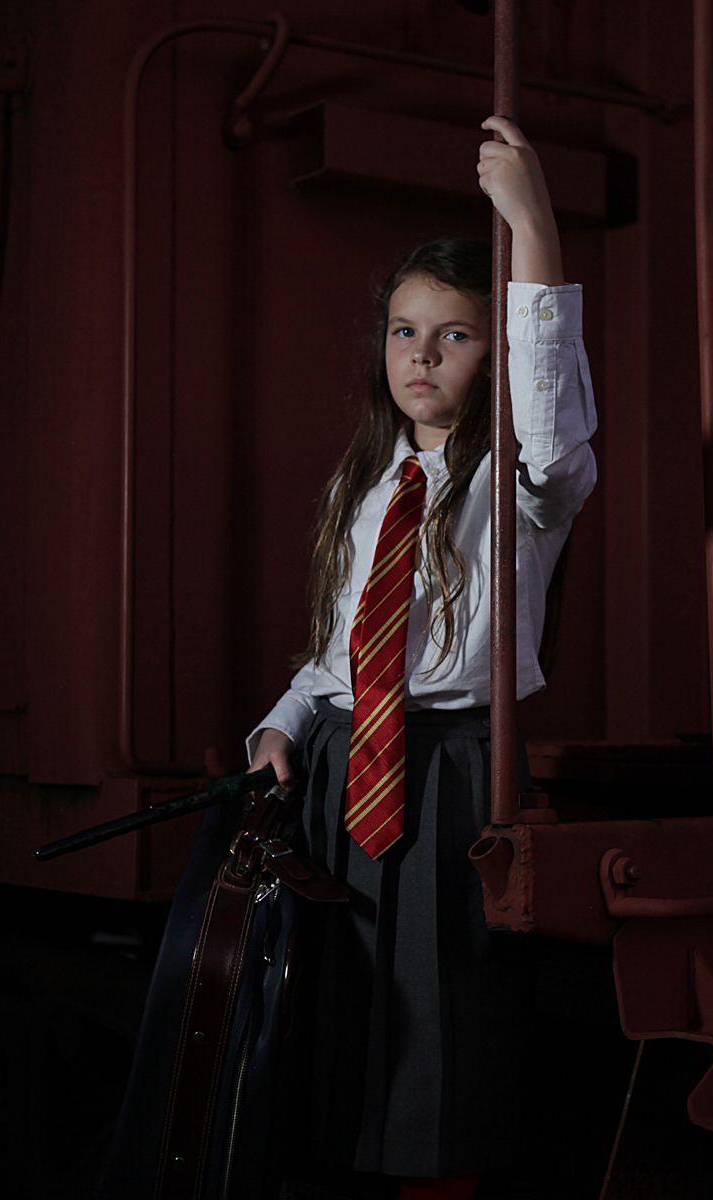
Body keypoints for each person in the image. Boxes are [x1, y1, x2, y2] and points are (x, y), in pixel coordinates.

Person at [246, 115, 597, 1199]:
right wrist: (288, 720)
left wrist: (531, 222)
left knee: (441, 1041)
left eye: (454, 335)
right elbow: (349, 650)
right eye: (404, 333)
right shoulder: (372, 482)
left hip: (449, 776)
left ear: (491, 348)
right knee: (340, 1028)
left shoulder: (525, 485)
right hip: (347, 777)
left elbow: (547, 407)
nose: (422, 357)